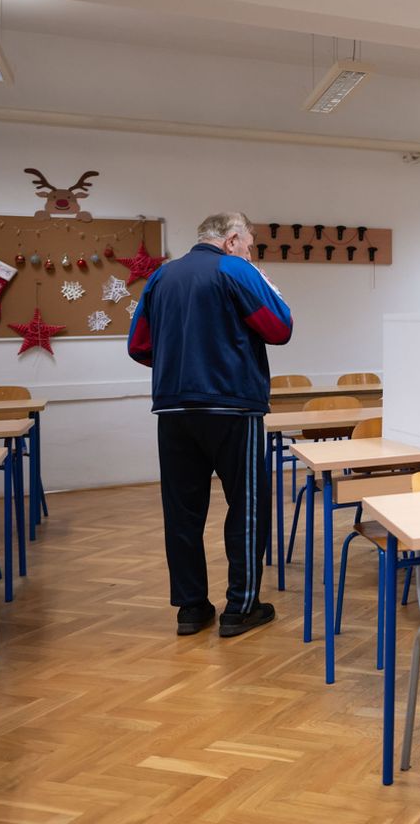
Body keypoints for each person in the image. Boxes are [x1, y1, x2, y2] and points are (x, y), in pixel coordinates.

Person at [128, 212, 293, 638]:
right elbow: (279, 328)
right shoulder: (236, 270)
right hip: (232, 406)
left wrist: (180, 363)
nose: (251, 253)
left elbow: (139, 346)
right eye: (250, 245)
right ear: (233, 240)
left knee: (182, 512)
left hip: (174, 408)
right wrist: (266, 284)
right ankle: (240, 607)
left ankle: (191, 608)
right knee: (247, 506)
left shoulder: (161, 277)